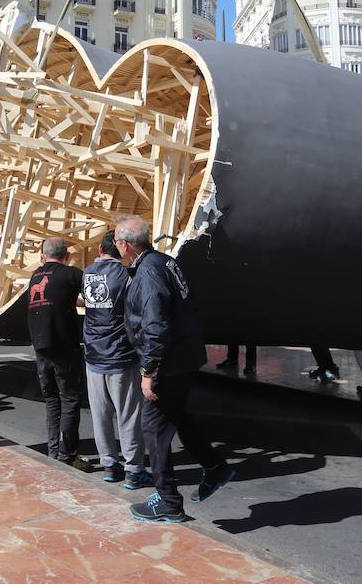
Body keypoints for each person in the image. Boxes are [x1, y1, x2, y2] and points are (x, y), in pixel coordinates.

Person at [116, 215, 233, 523]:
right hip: (183, 357)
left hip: (167, 363)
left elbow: (156, 325)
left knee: (153, 429)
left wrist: (149, 371)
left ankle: (168, 500)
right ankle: (215, 467)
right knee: (175, 415)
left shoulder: (149, 273)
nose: (117, 247)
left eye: (117, 242)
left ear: (125, 244)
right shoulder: (164, 262)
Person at [82, 232, 150, 487]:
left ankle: (109, 465)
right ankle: (134, 469)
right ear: (120, 249)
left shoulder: (87, 273)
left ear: (99, 249)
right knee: (128, 414)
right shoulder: (126, 275)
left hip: (93, 354)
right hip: (120, 354)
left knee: (100, 415)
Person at [28, 237, 89, 471]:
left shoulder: (35, 276)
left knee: (52, 400)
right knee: (70, 398)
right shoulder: (71, 274)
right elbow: (93, 295)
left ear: (44, 256)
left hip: (40, 347)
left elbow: (52, 296)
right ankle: (69, 454)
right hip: (64, 346)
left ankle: (53, 450)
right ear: (67, 256)